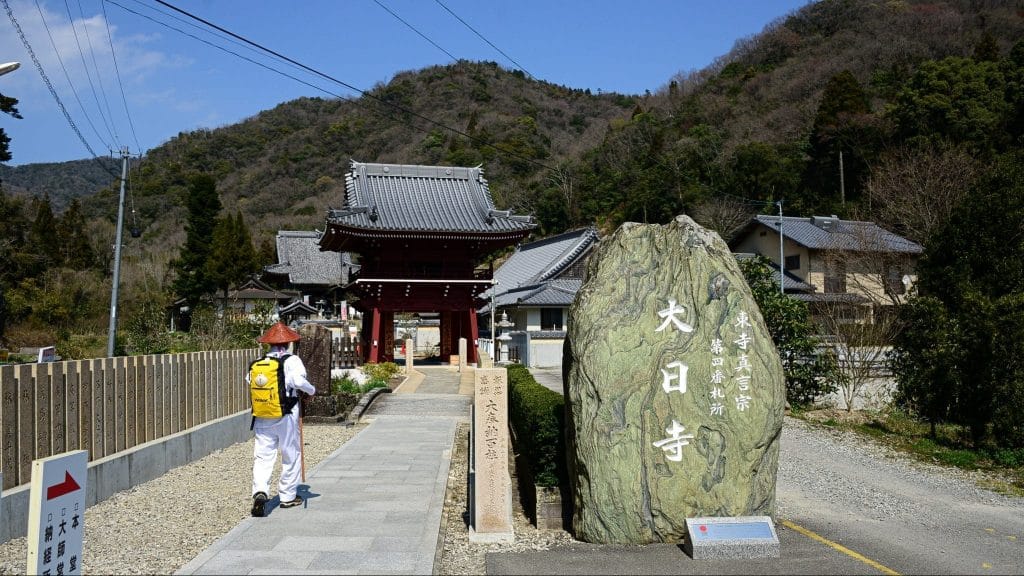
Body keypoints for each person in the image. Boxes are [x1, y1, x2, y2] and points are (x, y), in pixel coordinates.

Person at [250, 322, 315, 517]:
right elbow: (298, 381)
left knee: (263, 456)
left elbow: (249, 381)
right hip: (286, 414)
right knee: (290, 453)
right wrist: (311, 391)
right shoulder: (292, 360)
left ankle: (260, 491)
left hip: (262, 414)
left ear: (268, 344)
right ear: (288, 343)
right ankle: (287, 496)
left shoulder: (260, 362)